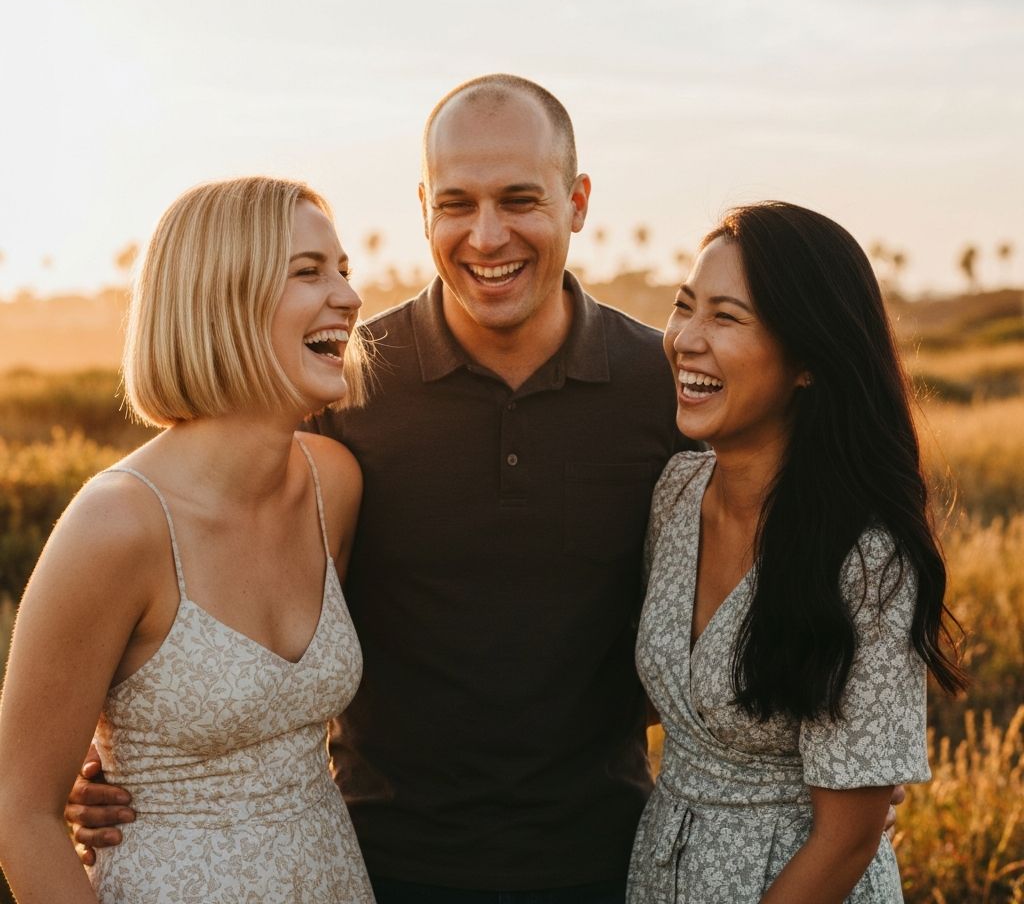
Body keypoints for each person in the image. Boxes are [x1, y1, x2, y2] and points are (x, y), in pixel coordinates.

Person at [64, 82, 904, 901]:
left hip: (612, 862)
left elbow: (763, 573)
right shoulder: (343, 392)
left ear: (576, 202)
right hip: (380, 861)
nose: (487, 234)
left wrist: (825, 776)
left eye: (520, 199)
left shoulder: (668, 391)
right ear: (425, 206)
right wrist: (130, 763)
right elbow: (223, 584)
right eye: (457, 203)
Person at [0, 177, 376, 902]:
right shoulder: (115, 526)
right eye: (308, 271)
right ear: (220, 299)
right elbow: (21, 815)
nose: (350, 297)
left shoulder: (336, 486)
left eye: (343, 270)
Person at [627, 202, 966, 902]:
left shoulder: (866, 559)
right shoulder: (676, 493)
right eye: (684, 307)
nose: (687, 338)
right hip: (664, 871)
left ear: (808, 360)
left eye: (725, 317)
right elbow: (682, 699)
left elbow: (847, 837)